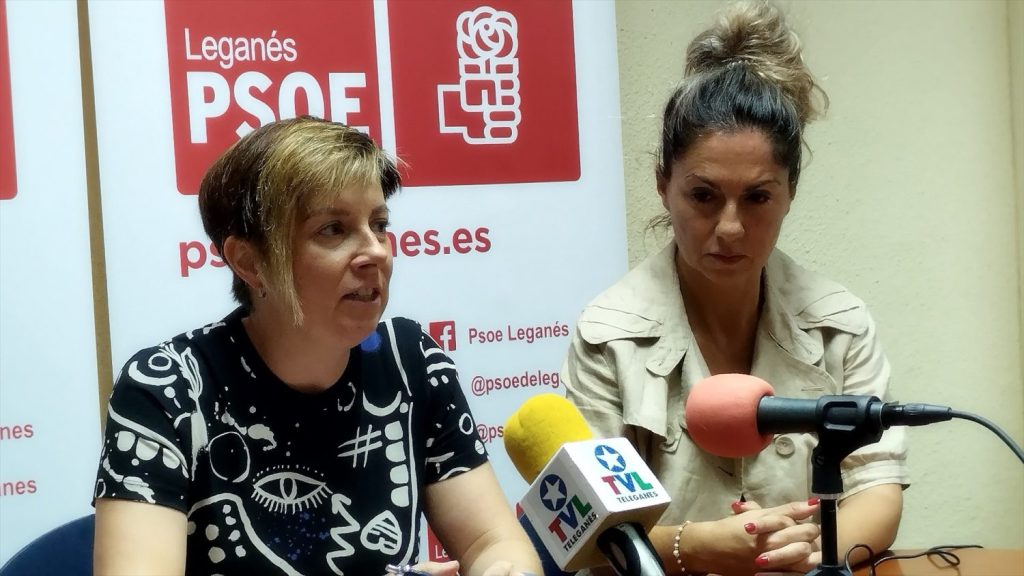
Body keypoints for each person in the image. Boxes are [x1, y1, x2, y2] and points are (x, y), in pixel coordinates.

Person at [93, 117, 541, 576]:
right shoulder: (167, 388)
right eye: (333, 229)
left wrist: (503, 570)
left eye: (379, 224)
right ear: (250, 262)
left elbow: (492, 541)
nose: (377, 251)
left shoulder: (410, 361)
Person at [561, 2, 908, 575]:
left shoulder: (838, 324)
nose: (729, 227)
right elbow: (588, 532)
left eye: (757, 197)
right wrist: (694, 546)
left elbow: (877, 490)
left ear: (790, 192)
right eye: (703, 196)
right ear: (663, 185)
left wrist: (804, 555)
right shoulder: (608, 335)